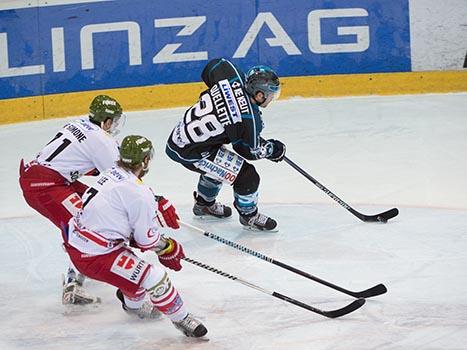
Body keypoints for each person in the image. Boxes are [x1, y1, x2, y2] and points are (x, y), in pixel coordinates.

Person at [63, 135, 207, 338]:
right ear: (146, 161)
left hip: (80, 244)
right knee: (154, 277)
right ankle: (182, 318)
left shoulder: (109, 173)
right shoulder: (139, 192)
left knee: (134, 276)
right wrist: (168, 247)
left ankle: (132, 304)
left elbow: (119, 213)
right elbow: (146, 240)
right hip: (95, 255)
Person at [19, 95, 124, 305]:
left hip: (43, 177)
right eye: (114, 120)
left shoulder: (78, 123)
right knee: (86, 225)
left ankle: (76, 267)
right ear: (107, 121)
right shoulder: (102, 139)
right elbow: (120, 179)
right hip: (46, 186)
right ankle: (72, 284)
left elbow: (80, 160)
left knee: (92, 210)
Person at [165, 58, 286, 231]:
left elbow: (211, 67)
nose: (272, 97)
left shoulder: (229, 72)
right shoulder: (249, 120)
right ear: (259, 95)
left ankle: (204, 204)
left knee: (218, 165)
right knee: (247, 177)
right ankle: (248, 216)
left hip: (180, 137)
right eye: (271, 94)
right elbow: (248, 150)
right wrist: (273, 149)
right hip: (191, 151)